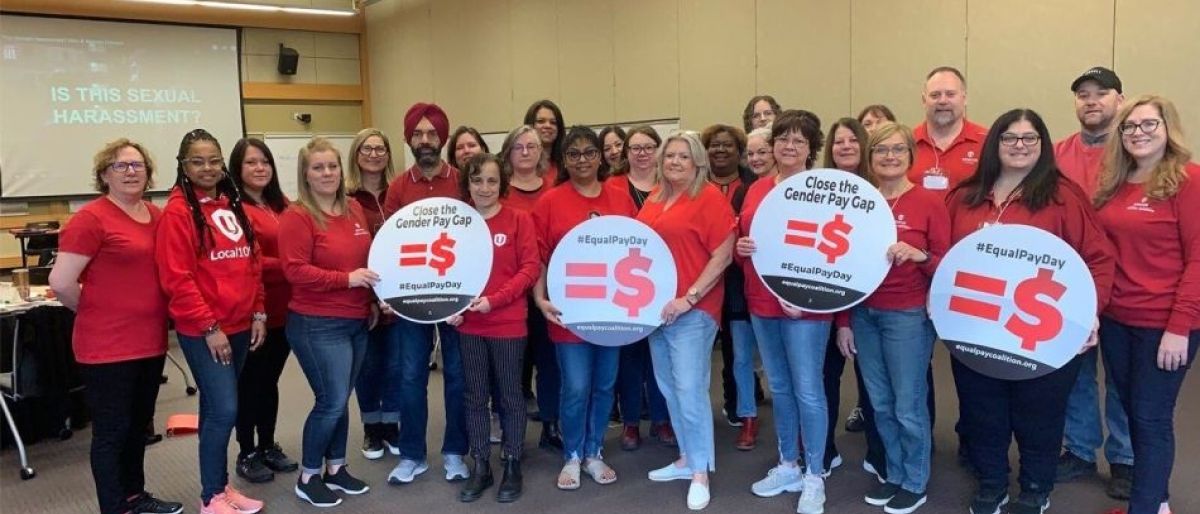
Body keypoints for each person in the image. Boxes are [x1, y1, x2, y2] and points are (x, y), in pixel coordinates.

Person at [948, 109, 1114, 514]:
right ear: (994, 144)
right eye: (1009, 137)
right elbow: (944, 258)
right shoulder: (964, 196)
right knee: (982, 411)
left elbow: (1098, 258)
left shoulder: (1063, 196)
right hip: (976, 328)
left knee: (1038, 415)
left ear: (1042, 146)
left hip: (1043, 331)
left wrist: (1091, 311)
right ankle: (992, 483)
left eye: (1029, 138)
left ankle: (1036, 488)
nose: (1019, 145)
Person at [49, 139, 182, 514]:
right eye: (120, 166)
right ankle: (115, 506)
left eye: (137, 165)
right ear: (104, 175)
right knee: (112, 432)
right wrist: (97, 311)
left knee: (139, 426)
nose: (130, 171)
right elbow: (61, 282)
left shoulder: (157, 217)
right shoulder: (90, 219)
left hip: (151, 342)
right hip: (106, 347)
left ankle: (135, 497)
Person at [1094, 95, 1200, 514]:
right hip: (1118, 319)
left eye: (1148, 124)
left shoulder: (1188, 181)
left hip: (1166, 324)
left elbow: (1198, 259)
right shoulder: (1115, 182)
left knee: (1150, 416)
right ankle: (1156, 502)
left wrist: (1180, 326)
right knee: (1129, 407)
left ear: (1167, 128)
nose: (1138, 133)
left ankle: (1144, 506)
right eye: (1129, 127)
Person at [839, 122, 950, 513]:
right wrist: (844, 322)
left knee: (907, 404)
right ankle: (896, 474)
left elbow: (946, 265)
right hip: (865, 313)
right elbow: (841, 267)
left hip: (907, 315)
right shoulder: (861, 201)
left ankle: (915, 481)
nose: (889, 156)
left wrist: (920, 256)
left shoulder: (929, 203)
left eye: (898, 149)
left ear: (910, 155)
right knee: (880, 404)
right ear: (870, 157)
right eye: (881, 150)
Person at [155, 129, 266, 514]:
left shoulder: (229, 203)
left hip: (238, 326)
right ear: (183, 166)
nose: (207, 168)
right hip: (206, 332)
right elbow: (177, 278)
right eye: (197, 161)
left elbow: (251, 262)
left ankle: (219, 486)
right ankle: (211, 498)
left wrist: (258, 310)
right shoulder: (176, 212)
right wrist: (209, 327)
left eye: (214, 160)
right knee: (225, 409)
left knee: (217, 409)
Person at [736, 111, 831, 514]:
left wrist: (808, 297)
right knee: (780, 386)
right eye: (782, 139)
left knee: (809, 388)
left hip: (806, 308)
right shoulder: (757, 189)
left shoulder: (825, 190)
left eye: (798, 140)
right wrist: (742, 251)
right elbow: (749, 243)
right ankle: (788, 463)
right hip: (761, 301)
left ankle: (815, 474)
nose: (788, 147)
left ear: (812, 148)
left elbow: (837, 257)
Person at [531, 126, 637, 491]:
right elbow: (540, 256)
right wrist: (539, 298)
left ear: (600, 156)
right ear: (563, 159)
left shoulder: (620, 198)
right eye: (573, 154)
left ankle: (594, 451)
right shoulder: (549, 201)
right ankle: (572, 454)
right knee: (576, 386)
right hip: (568, 312)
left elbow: (634, 251)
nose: (582, 160)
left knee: (605, 385)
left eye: (589, 152)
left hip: (611, 311)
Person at [639, 131, 736, 511]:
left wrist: (690, 297)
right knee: (669, 388)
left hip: (692, 311)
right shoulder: (655, 197)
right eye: (669, 156)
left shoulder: (708, 197)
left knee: (690, 391)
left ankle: (701, 472)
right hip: (656, 311)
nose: (675, 162)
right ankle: (685, 458)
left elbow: (723, 255)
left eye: (683, 156)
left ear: (697, 161)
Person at [279, 137, 376, 507]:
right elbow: (295, 270)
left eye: (332, 166)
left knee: (341, 400)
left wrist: (366, 299)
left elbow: (368, 261)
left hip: (355, 319)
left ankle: (335, 469)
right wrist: (346, 280)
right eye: (318, 167)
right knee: (330, 401)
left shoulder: (353, 208)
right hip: (316, 323)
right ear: (305, 173)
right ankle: (308, 476)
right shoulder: (297, 216)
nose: (327, 173)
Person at [1053, 67, 1134, 498]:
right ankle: (1080, 449)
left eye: (1101, 94)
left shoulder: (1135, 150)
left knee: (1123, 378)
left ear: (1120, 100)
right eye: (1083, 94)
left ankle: (1124, 459)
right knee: (1075, 373)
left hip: (1125, 285)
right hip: (1070, 286)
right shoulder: (1056, 153)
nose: (1091, 101)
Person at [382, 103, 471, 484]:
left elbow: (475, 240)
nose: (424, 140)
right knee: (410, 376)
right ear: (409, 139)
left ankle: (455, 452)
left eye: (431, 133)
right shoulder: (399, 186)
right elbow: (385, 245)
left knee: (458, 376)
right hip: (410, 298)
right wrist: (385, 291)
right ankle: (413, 454)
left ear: (442, 137)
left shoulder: (463, 181)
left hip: (456, 296)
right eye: (417, 134)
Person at [450, 153, 541, 503]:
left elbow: (529, 269)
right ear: (467, 184)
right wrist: (450, 309)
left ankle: (513, 462)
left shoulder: (518, 219)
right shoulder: (458, 223)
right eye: (476, 180)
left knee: (510, 395)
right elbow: (445, 272)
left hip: (507, 323)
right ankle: (481, 466)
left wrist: (496, 300)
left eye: (490, 180)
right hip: (469, 325)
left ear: (501, 184)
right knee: (474, 396)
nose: (484, 188)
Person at [815, 117, 888, 477]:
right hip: (827, 302)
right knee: (825, 378)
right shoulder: (818, 191)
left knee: (873, 382)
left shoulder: (880, 192)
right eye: (837, 141)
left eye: (851, 141)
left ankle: (879, 452)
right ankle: (824, 450)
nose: (844, 146)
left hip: (871, 302)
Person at [228, 138, 298, 483]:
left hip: (285, 310)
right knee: (249, 383)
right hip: (254, 311)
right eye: (251, 163)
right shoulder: (232, 209)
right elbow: (246, 259)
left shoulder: (281, 204)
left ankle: (268, 444)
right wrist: (293, 265)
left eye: (264, 162)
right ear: (237, 169)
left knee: (268, 382)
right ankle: (247, 450)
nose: (260, 168)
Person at [605, 125, 676, 450]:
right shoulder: (613, 186)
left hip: (662, 281)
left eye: (649, 146)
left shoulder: (671, 186)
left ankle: (662, 420)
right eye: (635, 147)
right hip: (623, 283)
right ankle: (631, 422)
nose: (642, 152)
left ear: (658, 150)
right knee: (630, 356)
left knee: (660, 355)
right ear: (626, 152)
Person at [498, 124, 562, 451]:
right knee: (513, 365)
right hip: (508, 292)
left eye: (532, 147)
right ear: (508, 152)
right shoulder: (497, 191)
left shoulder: (553, 189)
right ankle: (513, 432)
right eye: (519, 146)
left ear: (542, 152)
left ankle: (551, 425)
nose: (526, 152)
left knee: (549, 360)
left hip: (547, 289)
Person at [701, 124, 762, 446]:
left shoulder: (753, 186)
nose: (720, 150)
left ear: (738, 151)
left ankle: (748, 415)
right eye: (714, 145)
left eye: (727, 145)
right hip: (703, 280)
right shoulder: (695, 186)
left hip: (741, 281)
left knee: (739, 354)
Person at [344, 128, 403, 460]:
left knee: (395, 364)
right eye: (367, 148)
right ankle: (372, 428)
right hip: (361, 295)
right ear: (356, 154)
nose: (374, 154)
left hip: (398, 295)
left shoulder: (398, 194)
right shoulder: (346, 198)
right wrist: (368, 299)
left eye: (381, 148)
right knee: (367, 366)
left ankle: (391, 424)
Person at [910, 66, 988, 194]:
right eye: (935, 95)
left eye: (950, 94)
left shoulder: (988, 141)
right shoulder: (906, 143)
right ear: (924, 100)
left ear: (964, 98)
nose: (942, 101)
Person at [524, 99, 566, 179]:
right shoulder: (519, 162)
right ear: (530, 125)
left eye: (553, 122)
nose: (547, 126)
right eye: (541, 121)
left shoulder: (566, 163)